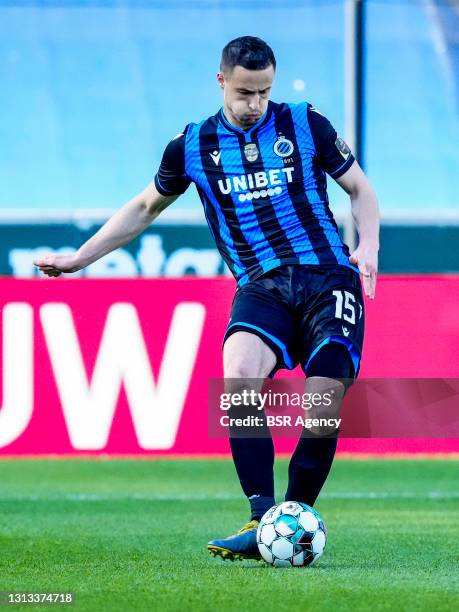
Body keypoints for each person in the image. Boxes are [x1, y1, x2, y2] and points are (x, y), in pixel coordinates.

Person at [35, 36, 379, 561]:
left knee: (323, 400)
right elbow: (146, 206)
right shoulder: (193, 146)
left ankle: (293, 516)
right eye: (245, 92)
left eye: (264, 92)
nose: (255, 104)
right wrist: (81, 258)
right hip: (260, 284)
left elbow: (361, 190)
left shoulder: (307, 124)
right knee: (237, 373)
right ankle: (263, 517)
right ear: (222, 82)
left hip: (328, 275)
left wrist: (370, 246)